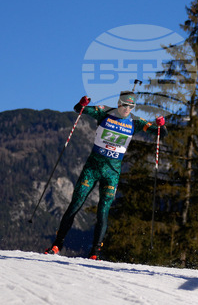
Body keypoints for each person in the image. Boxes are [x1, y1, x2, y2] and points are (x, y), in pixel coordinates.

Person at [44, 90, 166, 259]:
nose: (127, 109)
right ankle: (57, 245)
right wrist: (82, 103)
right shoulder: (104, 112)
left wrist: (161, 124)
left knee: (103, 211)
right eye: (124, 105)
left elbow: (160, 132)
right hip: (92, 168)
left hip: (112, 173)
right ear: (119, 103)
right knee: (75, 204)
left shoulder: (135, 121)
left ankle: (95, 252)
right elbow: (79, 109)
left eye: (131, 106)